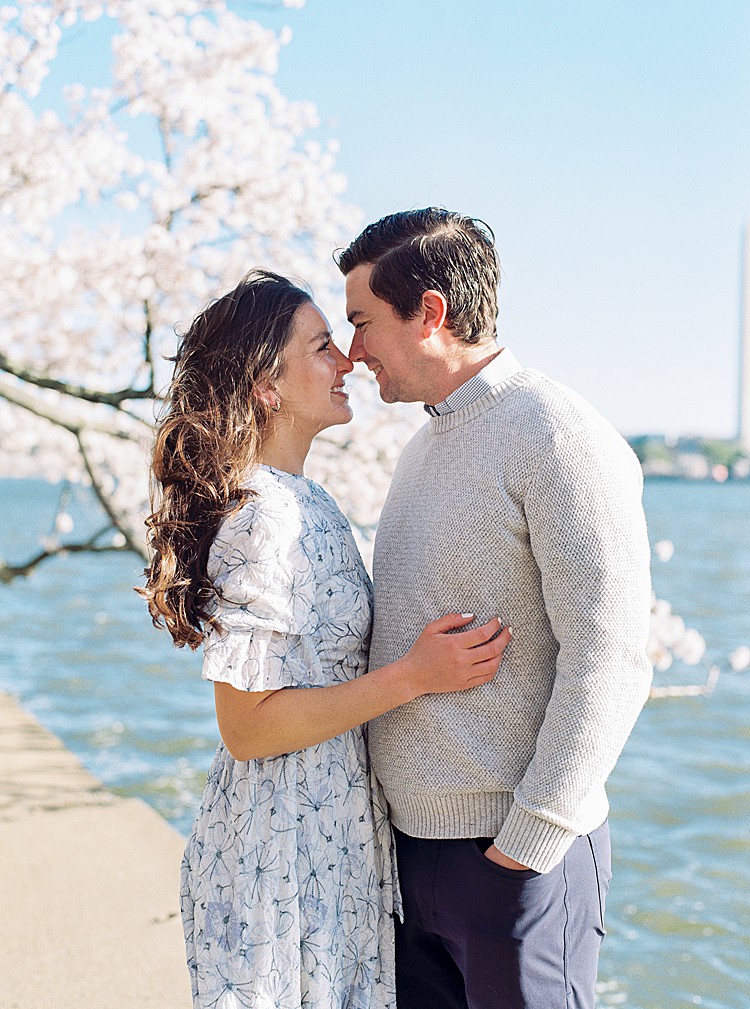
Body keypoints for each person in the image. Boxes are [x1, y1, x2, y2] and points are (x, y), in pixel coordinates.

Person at [139, 269, 511, 1009]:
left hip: (328, 826)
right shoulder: (263, 518)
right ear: (265, 387)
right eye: (319, 347)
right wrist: (414, 676)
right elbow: (245, 726)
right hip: (282, 841)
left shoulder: (304, 500)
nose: (346, 359)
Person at [337, 209, 653, 1009]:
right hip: (413, 862)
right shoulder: (421, 447)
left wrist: (530, 839)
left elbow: (611, 657)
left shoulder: (558, 434)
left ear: (431, 314)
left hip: (513, 863)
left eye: (364, 323)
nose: (353, 351)